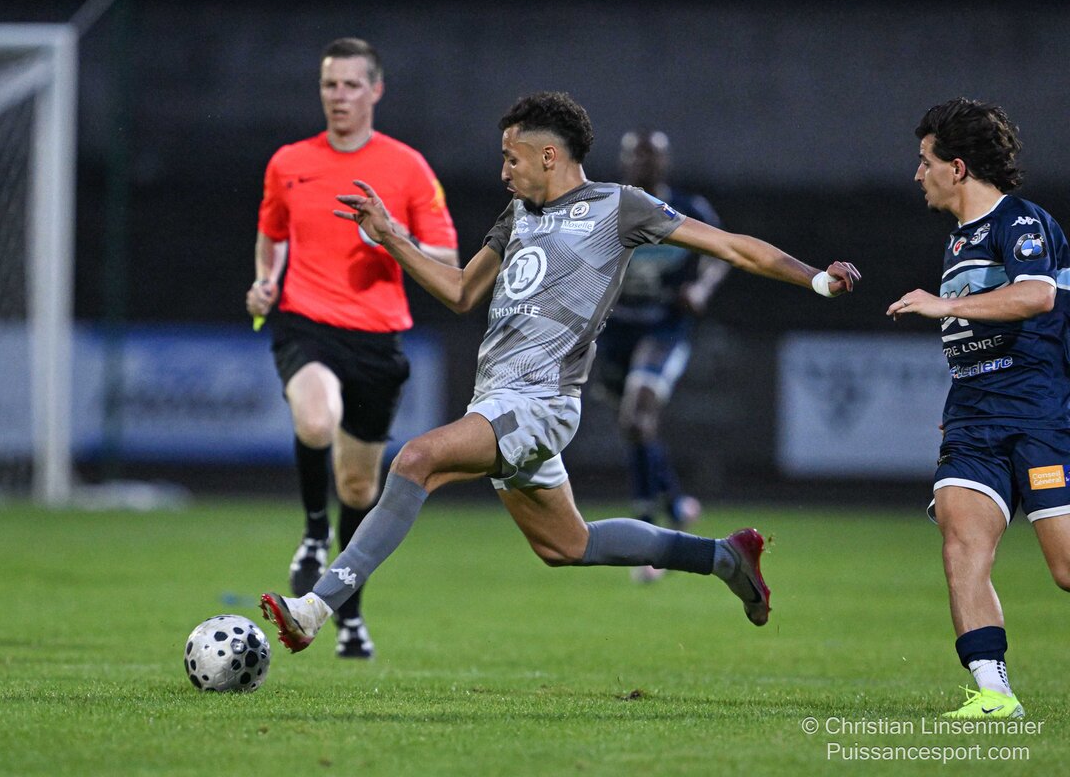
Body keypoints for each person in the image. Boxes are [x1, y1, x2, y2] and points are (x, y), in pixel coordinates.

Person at [259, 91, 860, 655]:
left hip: (540, 404)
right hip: (497, 401)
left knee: (415, 460)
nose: (504, 171)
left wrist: (816, 279)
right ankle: (726, 558)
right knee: (567, 544)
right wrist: (391, 237)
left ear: (549, 155)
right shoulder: (518, 213)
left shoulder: (619, 207)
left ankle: (316, 607)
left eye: (511, 157)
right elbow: (462, 291)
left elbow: (731, 247)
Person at [244, 37, 459, 658]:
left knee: (360, 489)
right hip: (305, 323)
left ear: (375, 90)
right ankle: (314, 534)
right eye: (329, 85)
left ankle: (347, 616)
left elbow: (447, 256)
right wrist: (264, 282)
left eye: (350, 85)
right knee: (316, 418)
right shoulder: (289, 162)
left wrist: (387, 237)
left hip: (377, 338)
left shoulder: (408, 167)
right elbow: (271, 237)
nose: (338, 96)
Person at [888, 98, 1070, 719]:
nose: (918, 173)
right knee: (961, 542)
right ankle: (994, 693)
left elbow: (1035, 296)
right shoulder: (960, 240)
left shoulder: (1020, 222)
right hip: (973, 418)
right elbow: (979, 335)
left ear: (957, 167)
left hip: (1041, 416)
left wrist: (944, 306)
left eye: (925, 160)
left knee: (1066, 568)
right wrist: (963, 388)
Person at [595, 130, 730, 583]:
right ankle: (676, 503)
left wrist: (702, 287)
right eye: (637, 156)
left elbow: (723, 252)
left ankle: (649, 539)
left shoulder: (688, 208)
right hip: (614, 331)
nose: (644, 164)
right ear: (624, 162)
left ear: (665, 163)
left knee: (637, 418)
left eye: (652, 157)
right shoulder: (607, 208)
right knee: (636, 427)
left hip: (663, 328)